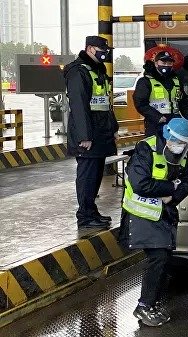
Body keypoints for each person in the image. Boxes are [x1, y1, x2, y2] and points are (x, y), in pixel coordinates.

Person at [121, 118, 188, 327]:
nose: (181, 146)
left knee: (164, 259)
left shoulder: (180, 156)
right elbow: (139, 184)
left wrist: (174, 196)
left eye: (184, 142)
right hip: (141, 215)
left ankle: (153, 303)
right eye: (178, 141)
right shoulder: (146, 150)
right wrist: (170, 187)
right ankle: (144, 306)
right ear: (168, 137)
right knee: (158, 258)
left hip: (164, 215)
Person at [64, 36, 118, 229]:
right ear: (89, 49)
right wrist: (84, 136)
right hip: (88, 134)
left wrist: (113, 129)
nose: (106, 52)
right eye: (102, 48)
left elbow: (104, 104)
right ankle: (84, 215)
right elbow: (79, 106)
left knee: (96, 175)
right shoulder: (78, 71)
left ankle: (91, 211)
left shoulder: (98, 71)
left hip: (101, 130)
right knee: (87, 175)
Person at [133, 50, 188, 138]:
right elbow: (140, 103)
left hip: (175, 123)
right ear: (156, 63)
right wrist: (157, 117)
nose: (166, 65)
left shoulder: (176, 81)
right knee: (156, 148)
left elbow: (183, 102)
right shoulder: (146, 81)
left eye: (169, 63)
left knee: (177, 148)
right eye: (163, 62)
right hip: (155, 124)